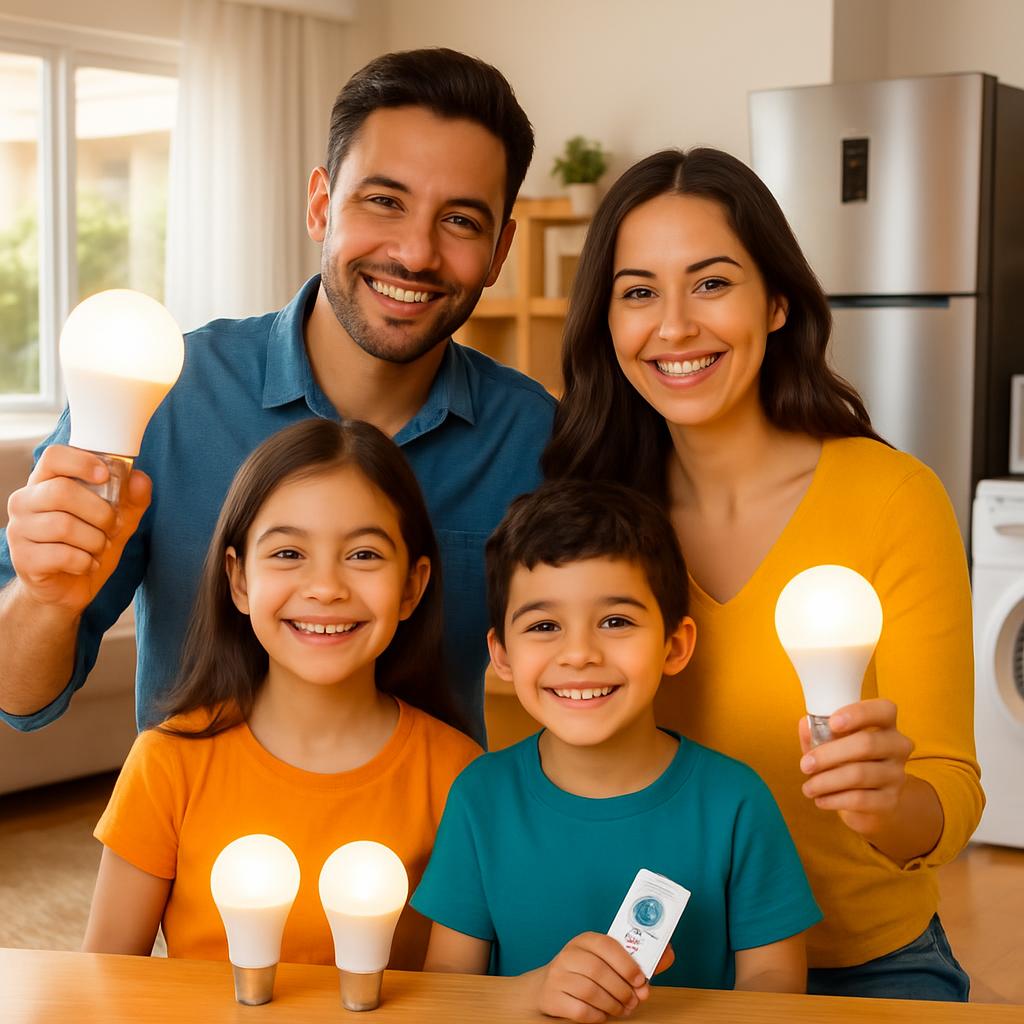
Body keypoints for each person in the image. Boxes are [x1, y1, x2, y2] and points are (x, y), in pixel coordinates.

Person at [0, 48, 552, 747]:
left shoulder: (536, 441)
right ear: (321, 205)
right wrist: (46, 600)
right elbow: (18, 698)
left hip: (438, 852)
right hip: (191, 847)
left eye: (461, 221)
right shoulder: (158, 395)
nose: (415, 253)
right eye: (383, 201)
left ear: (500, 251)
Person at [541, 147, 982, 1000]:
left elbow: (951, 794)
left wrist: (886, 799)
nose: (673, 326)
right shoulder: (589, 518)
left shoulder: (893, 496)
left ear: (777, 302)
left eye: (711, 283)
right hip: (655, 967)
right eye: (638, 293)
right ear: (607, 322)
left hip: (865, 965)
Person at [411, 480, 821, 1022]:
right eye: (544, 625)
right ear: (502, 655)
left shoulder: (736, 801)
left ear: (674, 645)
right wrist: (532, 993)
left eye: (615, 621)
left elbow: (777, 981)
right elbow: (448, 986)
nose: (579, 653)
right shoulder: (480, 797)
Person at [82, 418, 480, 967]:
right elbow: (101, 982)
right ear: (239, 580)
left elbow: (460, 1000)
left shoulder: (459, 775)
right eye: (289, 554)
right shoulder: (169, 762)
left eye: (363, 554)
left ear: (412, 586)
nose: (325, 588)